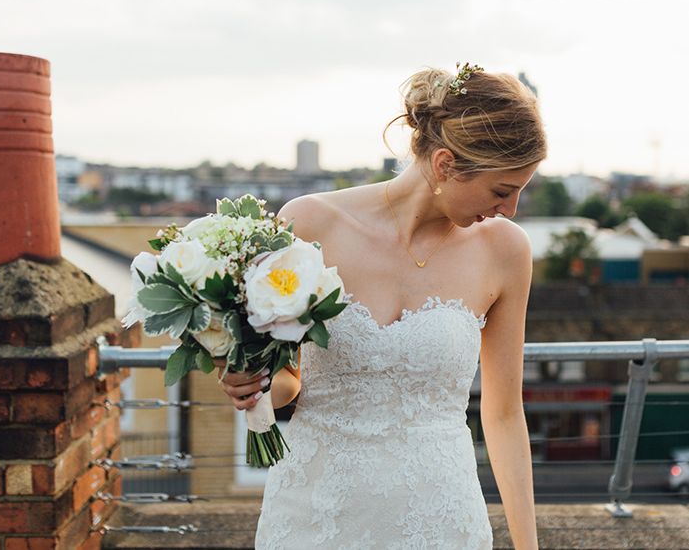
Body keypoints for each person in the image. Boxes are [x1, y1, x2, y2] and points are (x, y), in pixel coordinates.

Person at [215, 63, 546, 549]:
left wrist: (528, 546)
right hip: (313, 515)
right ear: (445, 164)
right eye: (503, 190)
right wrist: (248, 382)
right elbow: (287, 383)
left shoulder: (505, 251)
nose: (511, 209)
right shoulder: (310, 225)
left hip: (440, 520)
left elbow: (502, 415)